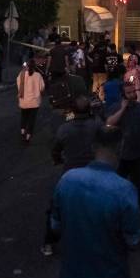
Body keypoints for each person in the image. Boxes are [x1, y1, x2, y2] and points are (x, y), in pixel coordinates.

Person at [49, 125, 140, 278]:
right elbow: (133, 241)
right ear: (119, 148)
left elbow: (55, 226)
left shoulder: (68, 181)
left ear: (93, 148)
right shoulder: (124, 190)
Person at [44, 95, 103, 256]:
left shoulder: (64, 129)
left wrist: (58, 159)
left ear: (72, 110)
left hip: (70, 173)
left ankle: (49, 242)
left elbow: (55, 150)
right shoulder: (95, 124)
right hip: (93, 172)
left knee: (56, 207)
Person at [104, 79, 140, 208]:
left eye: (133, 92)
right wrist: (123, 109)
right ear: (123, 95)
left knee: (138, 184)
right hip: (121, 154)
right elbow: (109, 123)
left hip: (139, 153)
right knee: (117, 182)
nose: (132, 95)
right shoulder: (115, 108)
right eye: (128, 93)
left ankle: (138, 207)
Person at [17, 59, 46, 145]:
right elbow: (42, 88)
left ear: (27, 66)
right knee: (31, 120)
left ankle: (22, 132)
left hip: (24, 101)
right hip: (34, 102)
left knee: (24, 117)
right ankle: (28, 137)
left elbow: (18, 86)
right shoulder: (38, 75)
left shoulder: (21, 75)